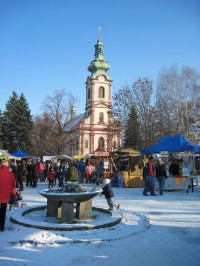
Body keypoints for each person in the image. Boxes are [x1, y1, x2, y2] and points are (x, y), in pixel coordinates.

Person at [0, 159, 16, 231]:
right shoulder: (11, 174)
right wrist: (14, 194)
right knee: (3, 210)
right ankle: (2, 226)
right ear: (7, 165)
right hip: (5, 194)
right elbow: (14, 185)